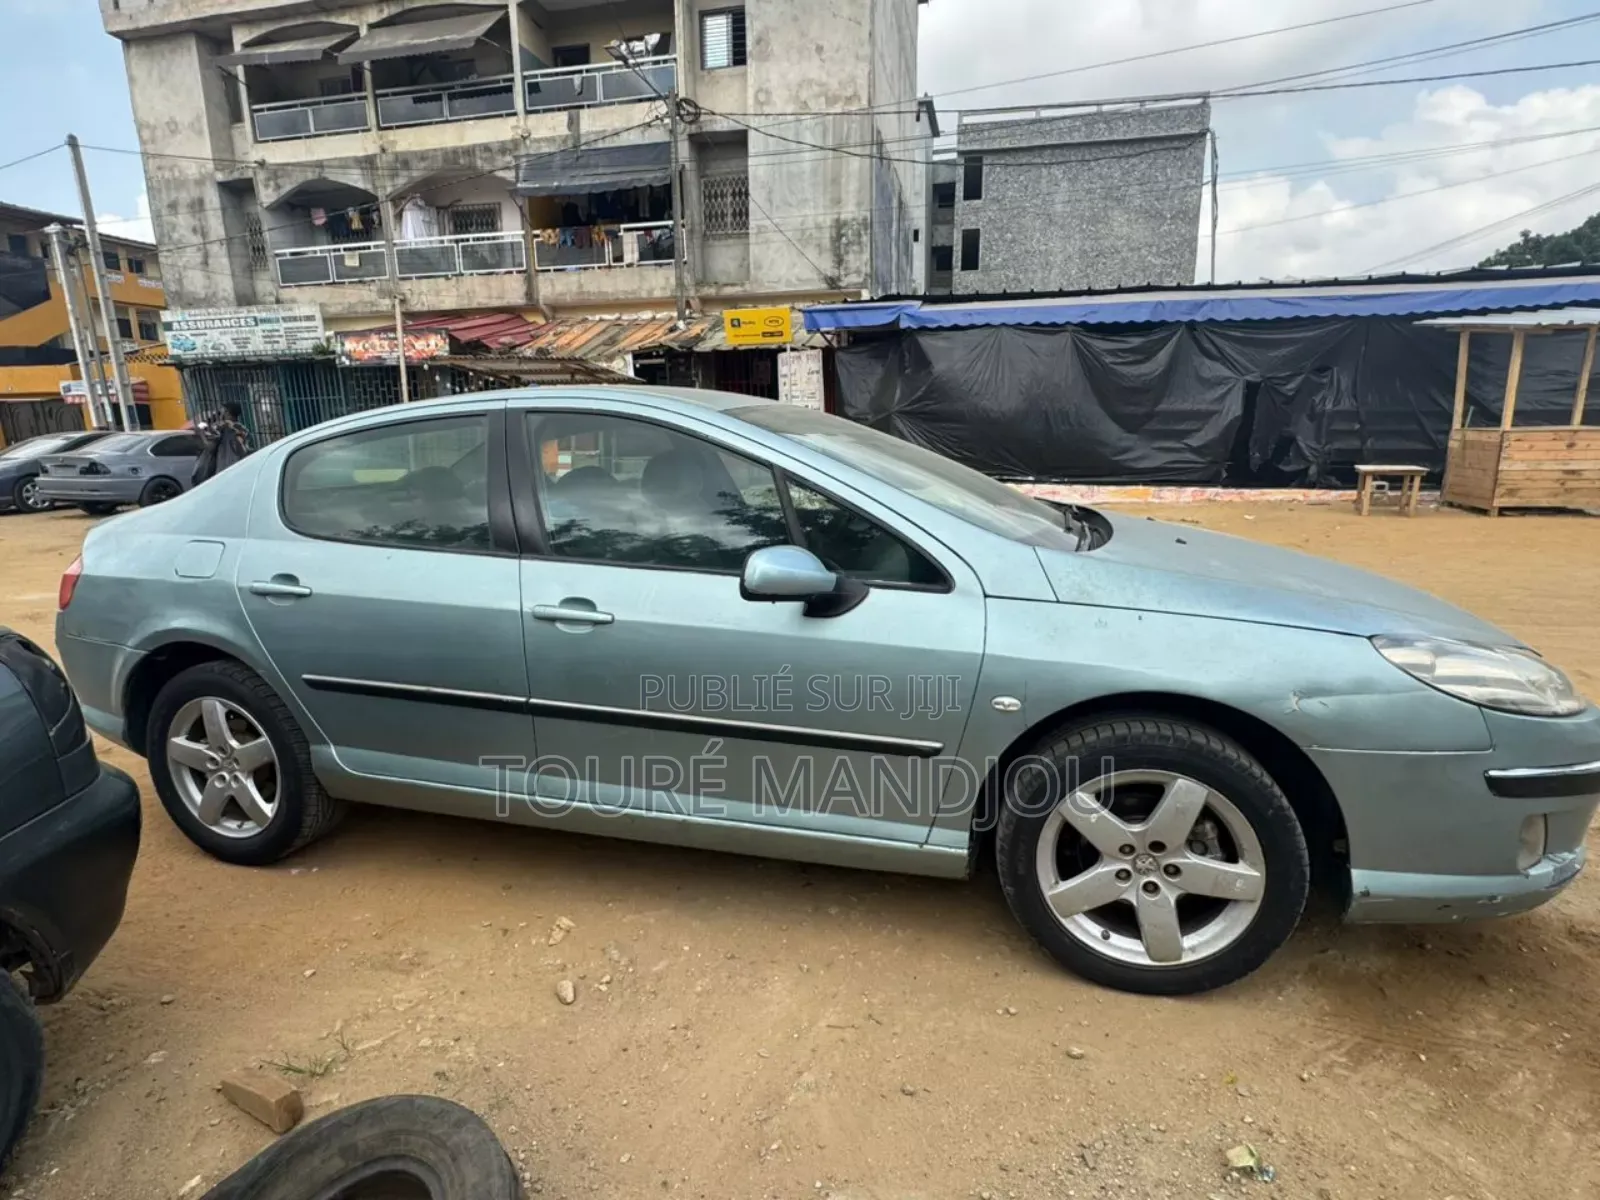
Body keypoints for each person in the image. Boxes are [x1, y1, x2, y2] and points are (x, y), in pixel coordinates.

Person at [192, 400, 251, 486]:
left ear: (227, 412)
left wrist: (201, 434)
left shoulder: (221, 427)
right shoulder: (243, 429)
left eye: (223, 409)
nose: (220, 411)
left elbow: (210, 447)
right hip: (240, 468)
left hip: (224, 470)